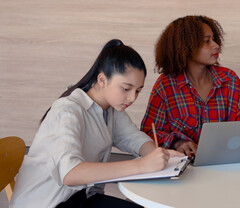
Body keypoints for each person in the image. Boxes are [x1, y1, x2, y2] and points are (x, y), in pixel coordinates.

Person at [10, 39, 183, 208]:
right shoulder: (67, 111)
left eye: (138, 90)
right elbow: (70, 173)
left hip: (82, 198)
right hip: (49, 203)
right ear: (102, 80)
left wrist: (159, 155)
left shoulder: (111, 108)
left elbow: (133, 137)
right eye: (126, 88)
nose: (132, 98)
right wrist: (142, 165)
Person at [140, 15, 240, 157]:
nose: (216, 45)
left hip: (225, 164)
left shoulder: (229, 79)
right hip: (184, 169)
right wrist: (176, 143)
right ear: (185, 48)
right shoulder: (165, 86)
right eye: (207, 41)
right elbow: (148, 133)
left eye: (214, 39)